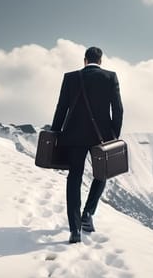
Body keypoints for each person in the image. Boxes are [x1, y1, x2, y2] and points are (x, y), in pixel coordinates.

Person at [51, 46, 124, 244]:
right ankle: (87, 214)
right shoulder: (110, 77)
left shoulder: (70, 78)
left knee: (74, 177)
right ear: (100, 61)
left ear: (85, 60)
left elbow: (61, 108)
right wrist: (114, 136)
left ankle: (74, 229)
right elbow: (118, 110)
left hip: (73, 137)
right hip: (101, 136)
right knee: (102, 174)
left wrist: (54, 133)